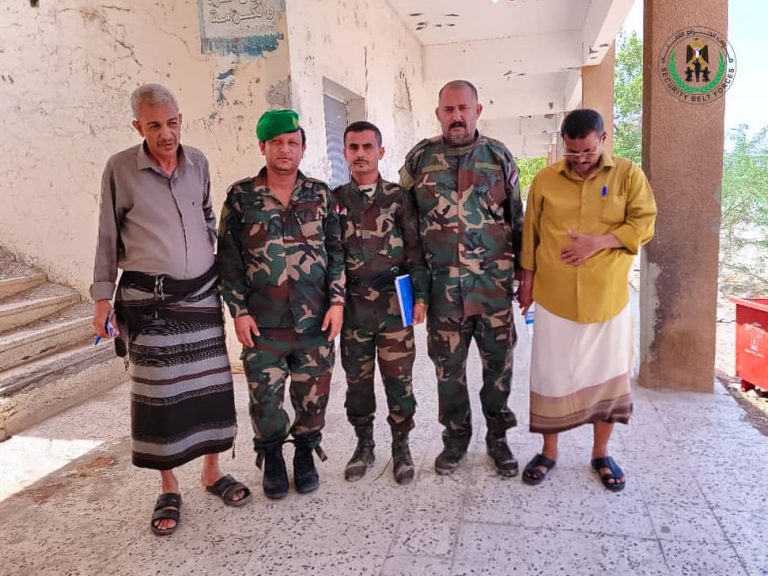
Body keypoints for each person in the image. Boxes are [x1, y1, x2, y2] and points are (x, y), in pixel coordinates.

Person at [91, 83, 250, 537]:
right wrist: (102, 298)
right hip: (151, 303)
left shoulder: (197, 161)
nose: (166, 133)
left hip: (202, 296)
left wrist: (206, 255)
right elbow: (107, 235)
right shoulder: (120, 169)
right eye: (155, 125)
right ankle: (169, 486)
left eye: (173, 122)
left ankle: (212, 472)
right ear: (138, 126)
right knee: (162, 398)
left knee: (210, 387)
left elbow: (206, 215)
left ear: (181, 120)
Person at [518, 108, 657, 491]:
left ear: (603, 140)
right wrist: (526, 282)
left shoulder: (628, 175)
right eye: (573, 151)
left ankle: (601, 453)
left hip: (607, 299)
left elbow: (644, 222)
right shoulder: (545, 180)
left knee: (605, 379)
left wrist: (599, 242)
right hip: (554, 297)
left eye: (589, 151)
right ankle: (548, 452)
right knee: (551, 376)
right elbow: (530, 234)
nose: (580, 159)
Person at [217, 109, 345, 499]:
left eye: (292, 142)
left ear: (303, 148)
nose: (285, 149)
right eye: (276, 142)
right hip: (263, 324)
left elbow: (337, 252)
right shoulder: (241, 197)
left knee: (313, 397)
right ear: (263, 147)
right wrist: (238, 311)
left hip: (315, 320)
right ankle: (272, 456)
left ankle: (305, 454)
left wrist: (338, 302)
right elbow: (229, 260)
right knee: (265, 401)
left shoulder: (320, 194)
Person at [399, 80, 524, 477]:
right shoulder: (420, 160)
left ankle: (498, 440)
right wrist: (417, 291)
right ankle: (455, 441)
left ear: (477, 111)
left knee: (498, 369)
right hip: (443, 294)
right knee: (448, 373)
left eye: (463, 108)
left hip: (492, 291)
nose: (456, 116)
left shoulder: (498, 156)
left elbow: (518, 221)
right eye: (449, 109)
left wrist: (526, 279)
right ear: (438, 113)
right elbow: (409, 234)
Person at [333, 121, 428, 484]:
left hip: (393, 308)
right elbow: (329, 256)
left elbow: (415, 252)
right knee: (357, 384)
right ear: (345, 152)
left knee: (399, 382)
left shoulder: (398, 198)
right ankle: (364, 445)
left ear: (380, 152)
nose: (360, 154)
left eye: (367, 147)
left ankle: (401, 447)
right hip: (353, 310)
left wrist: (420, 297)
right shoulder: (335, 201)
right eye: (353, 147)